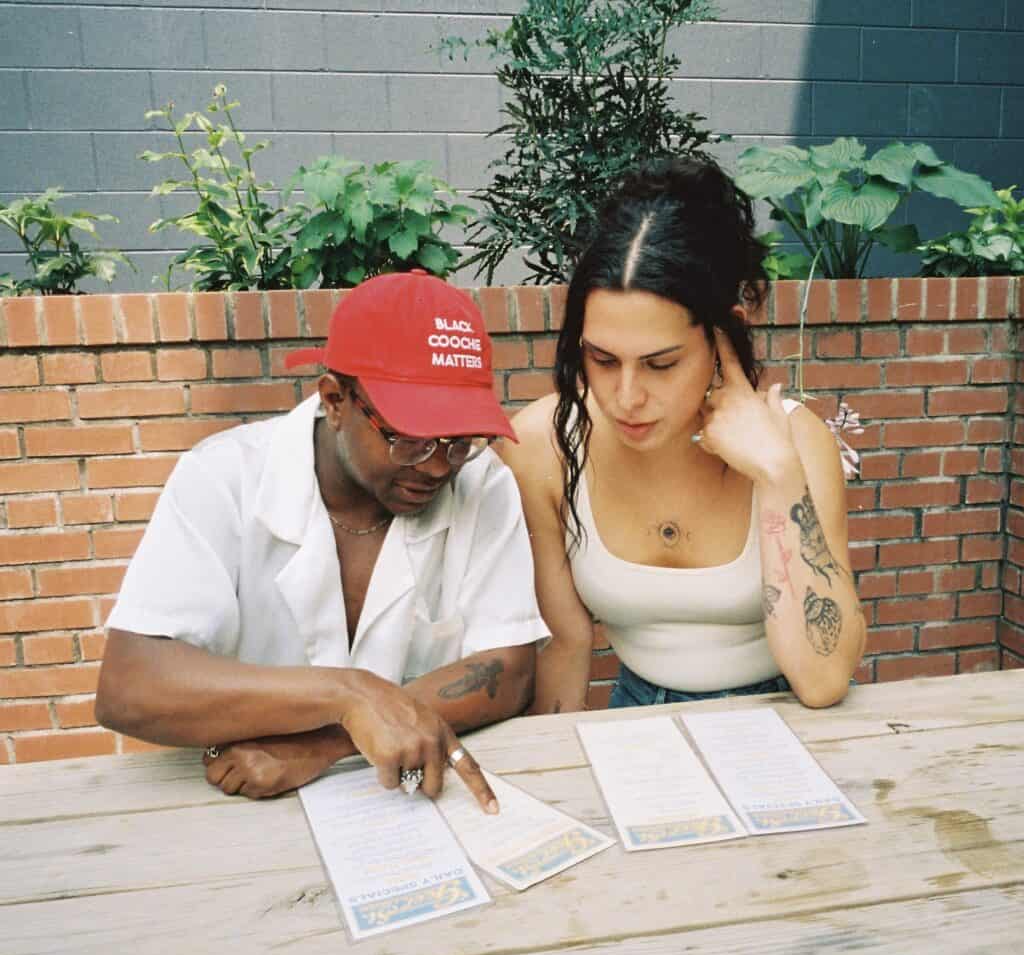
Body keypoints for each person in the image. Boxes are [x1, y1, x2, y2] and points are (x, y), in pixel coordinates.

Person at [97, 269, 550, 808]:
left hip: (403, 799)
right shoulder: (223, 478)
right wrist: (348, 694)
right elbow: (129, 686)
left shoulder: (481, 481)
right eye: (409, 440)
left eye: (459, 442)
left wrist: (325, 742)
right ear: (335, 400)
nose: (436, 467)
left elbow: (510, 669)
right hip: (241, 802)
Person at [501, 159, 865, 713]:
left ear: (726, 333)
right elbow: (566, 644)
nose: (626, 396)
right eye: (601, 359)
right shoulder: (543, 446)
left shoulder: (794, 440)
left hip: (786, 714)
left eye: (661, 364)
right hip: (637, 713)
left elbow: (823, 679)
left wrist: (776, 472)